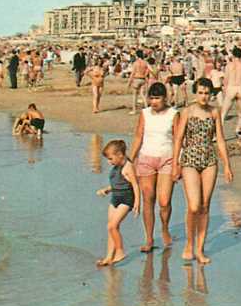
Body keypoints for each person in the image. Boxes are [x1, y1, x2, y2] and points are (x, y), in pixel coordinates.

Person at [172, 77, 233, 264]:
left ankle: (200, 248)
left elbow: (220, 140)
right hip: (190, 158)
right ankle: (189, 244)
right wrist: (175, 164)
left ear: (211, 94)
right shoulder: (187, 111)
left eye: (207, 93)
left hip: (209, 160)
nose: (204, 96)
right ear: (195, 92)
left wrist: (227, 165)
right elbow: (179, 138)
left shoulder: (215, 112)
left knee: (205, 205)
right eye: (200, 92)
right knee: (194, 206)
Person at [130, 83, 179, 252]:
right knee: (148, 198)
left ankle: (164, 227)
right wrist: (131, 159)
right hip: (146, 158)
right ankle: (149, 238)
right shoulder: (144, 113)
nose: (154, 102)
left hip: (167, 159)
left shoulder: (173, 114)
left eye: (157, 98)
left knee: (164, 201)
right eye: (151, 98)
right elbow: (138, 136)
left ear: (165, 98)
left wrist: (177, 164)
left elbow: (178, 139)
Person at [95, 139, 140, 267]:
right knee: (111, 227)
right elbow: (116, 183)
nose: (109, 162)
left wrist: (137, 202)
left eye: (110, 159)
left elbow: (135, 185)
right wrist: (107, 189)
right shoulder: (116, 167)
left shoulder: (128, 167)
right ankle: (109, 257)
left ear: (120, 155)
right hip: (115, 197)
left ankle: (120, 251)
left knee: (112, 226)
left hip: (126, 199)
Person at [221, 47, 241, 134]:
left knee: (224, 113)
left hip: (231, 87)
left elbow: (225, 80)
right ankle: (238, 129)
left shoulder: (229, 65)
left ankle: (218, 133)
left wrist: (224, 91)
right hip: (240, 87)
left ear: (233, 55)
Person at [128, 50, 150, 114]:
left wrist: (129, 82)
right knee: (142, 94)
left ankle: (134, 110)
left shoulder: (135, 63)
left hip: (136, 79)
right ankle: (146, 107)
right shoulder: (145, 62)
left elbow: (133, 73)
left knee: (135, 95)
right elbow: (148, 70)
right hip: (143, 79)